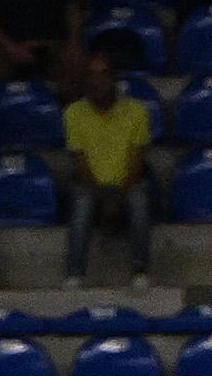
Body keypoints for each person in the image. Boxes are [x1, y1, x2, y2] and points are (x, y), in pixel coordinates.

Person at [61, 44, 162, 290]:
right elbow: (80, 164)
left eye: (103, 74)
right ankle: (75, 274)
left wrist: (117, 198)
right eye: (92, 75)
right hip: (91, 184)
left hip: (128, 182)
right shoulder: (74, 113)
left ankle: (140, 272)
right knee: (82, 202)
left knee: (138, 200)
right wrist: (102, 198)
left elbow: (137, 162)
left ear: (114, 77)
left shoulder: (136, 111)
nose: (98, 81)